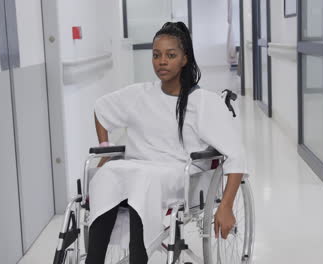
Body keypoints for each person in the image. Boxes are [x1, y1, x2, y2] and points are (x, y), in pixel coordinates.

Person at [86, 21, 248, 264]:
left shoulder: (202, 102)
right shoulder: (139, 93)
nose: (162, 61)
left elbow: (236, 153)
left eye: (170, 55)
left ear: (184, 59)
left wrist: (226, 205)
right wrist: (106, 151)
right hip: (138, 168)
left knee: (143, 182)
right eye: (156, 55)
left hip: (176, 173)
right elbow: (101, 110)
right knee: (106, 174)